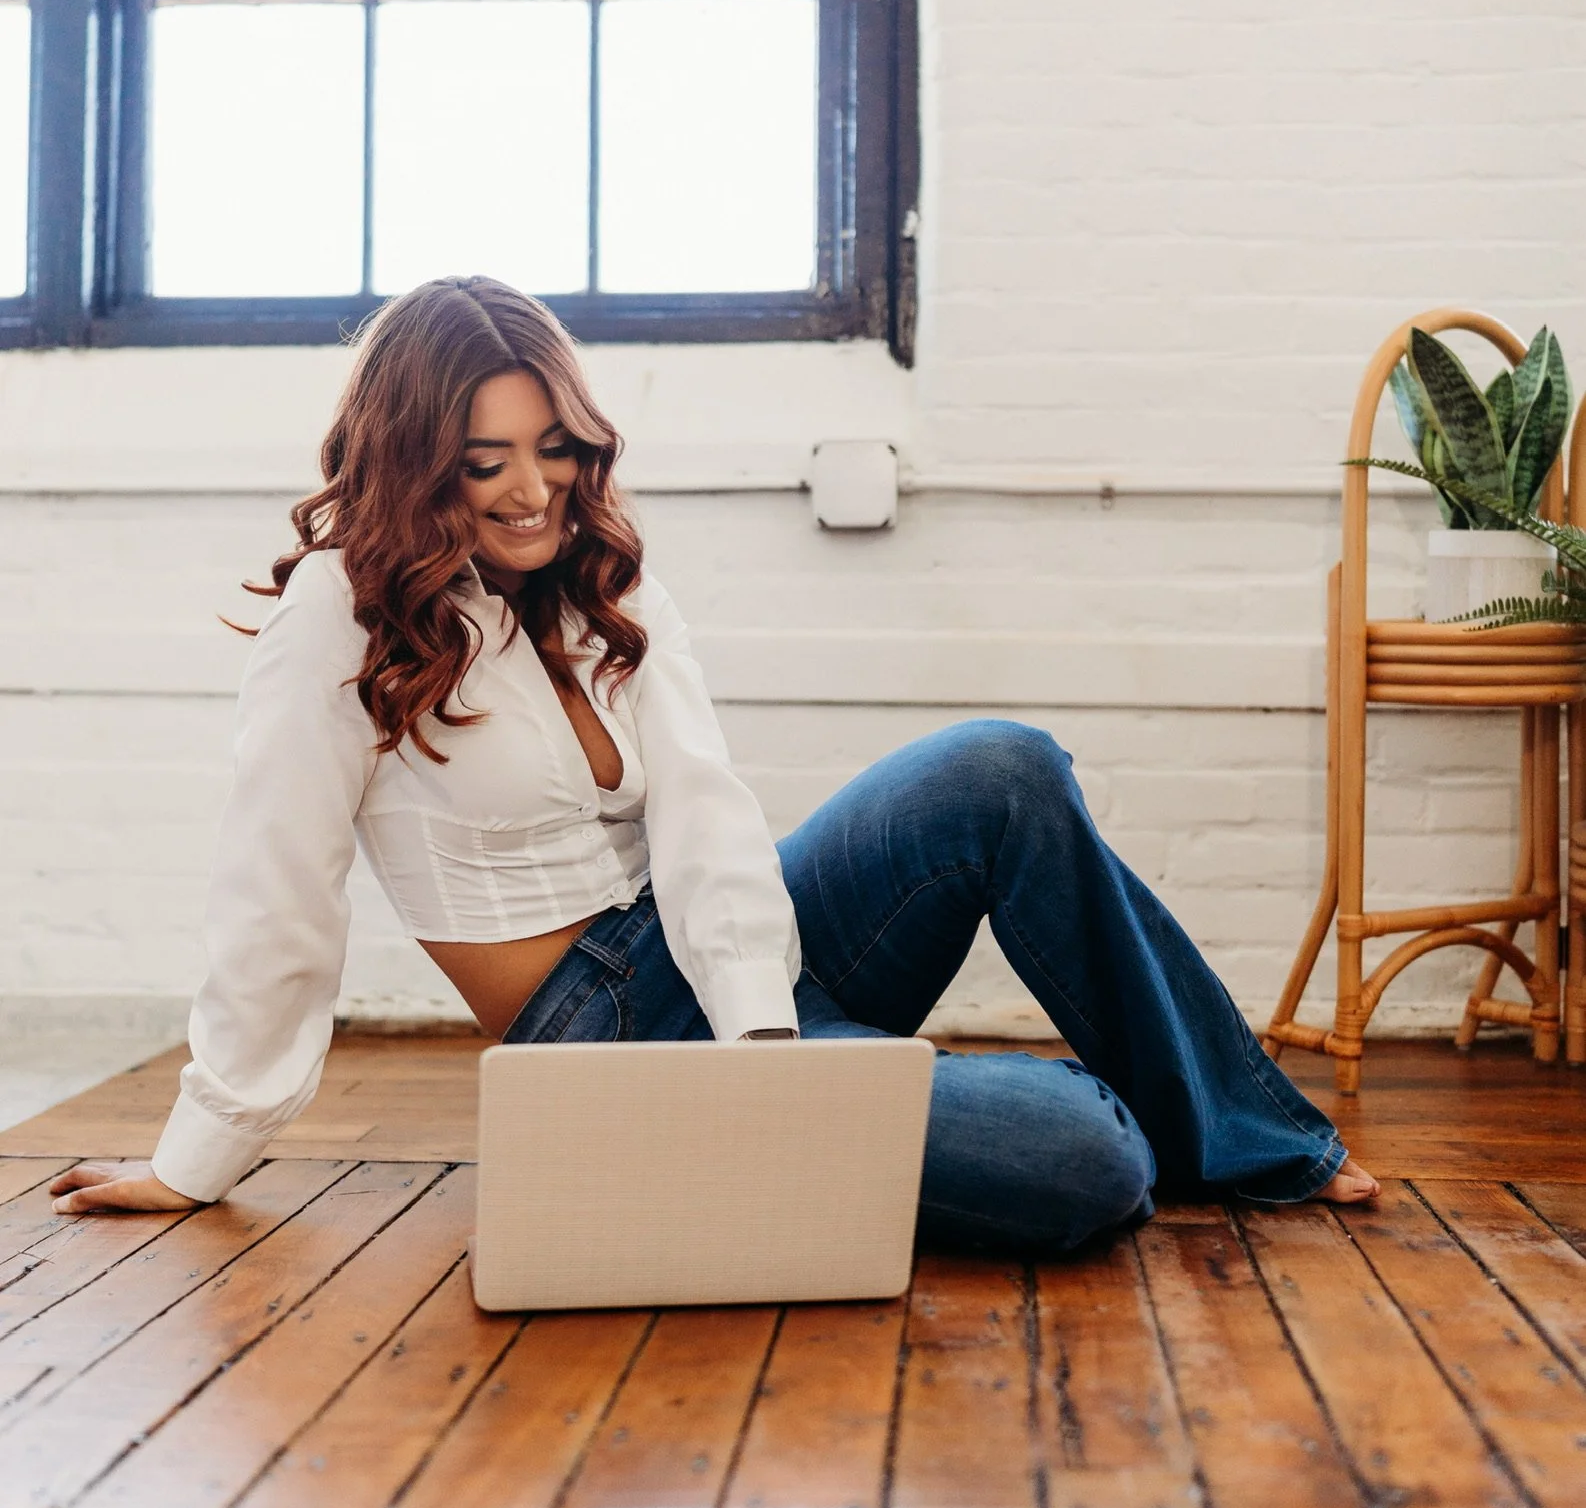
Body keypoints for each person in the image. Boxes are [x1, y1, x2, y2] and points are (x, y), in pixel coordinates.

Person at [51, 276, 1378, 1242]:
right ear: (411, 456)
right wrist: (200, 1151)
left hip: (706, 952)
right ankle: (1055, 1103)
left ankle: (1239, 1135)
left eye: (555, 448)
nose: (532, 490)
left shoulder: (596, 584)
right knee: (1088, 1164)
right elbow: (274, 891)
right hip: (600, 1029)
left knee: (1002, 765)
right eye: (484, 461)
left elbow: (702, 813)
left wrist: (766, 1041)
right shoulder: (343, 611)